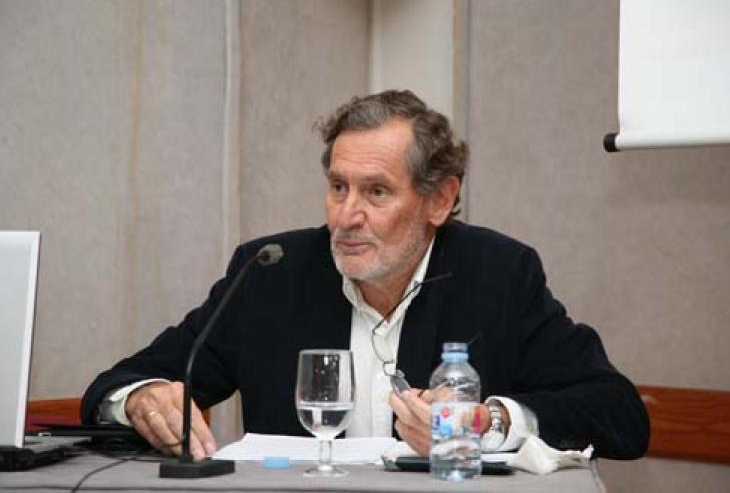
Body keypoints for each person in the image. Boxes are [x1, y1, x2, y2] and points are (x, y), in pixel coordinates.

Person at [81, 90, 649, 462]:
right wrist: (141, 398)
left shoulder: (497, 275)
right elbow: (119, 384)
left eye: (376, 192)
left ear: (439, 199)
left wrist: (488, 422)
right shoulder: (271, 273)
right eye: (338, 187)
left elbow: (617, 412)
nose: (347, 216)